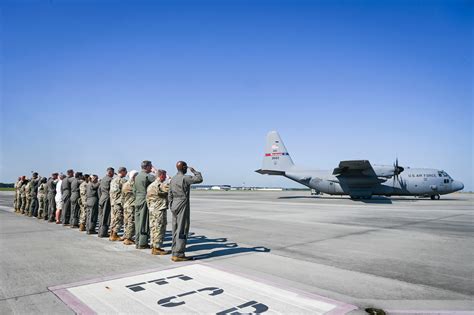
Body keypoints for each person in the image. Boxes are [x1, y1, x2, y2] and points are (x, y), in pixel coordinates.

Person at [169, 161, 203, 262]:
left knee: (175, 228)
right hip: (182, 202)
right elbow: (199, 179)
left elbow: (169, 194)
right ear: (183, 167)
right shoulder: (185, 177)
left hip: (174, 203)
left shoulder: (173, 179)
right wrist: (194, 171)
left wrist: (171, 205)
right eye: (185, 166)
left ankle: (174, 250)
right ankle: (179, 253)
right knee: (182, 228)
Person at [147, 169, 170, 255]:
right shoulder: (160, 185)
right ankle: (157, 248)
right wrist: (170, 180)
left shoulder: (150, 185)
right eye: (165, 175)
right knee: (159, 228)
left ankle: (154, 246)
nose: (165, 177)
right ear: (161, 176)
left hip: (152, 209)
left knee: (153, 228)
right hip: (159, 210)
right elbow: (170, 189)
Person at [133, 160, 155, 249]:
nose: (151, 167)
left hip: (137, 199)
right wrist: (155, 171)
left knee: (138, 222)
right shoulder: (147, 176)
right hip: (144, 199)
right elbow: (159, 179)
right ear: (146, 167)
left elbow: (134, 190)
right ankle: (142, 243)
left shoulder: (137, 176)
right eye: (150, 166)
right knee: (144, 222)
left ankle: (138, 241)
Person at [109, 167, 127, 241]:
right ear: (122, 172)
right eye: (125, 172)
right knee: (118, 218)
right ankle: (114, 235)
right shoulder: (122, 180)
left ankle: (112, 233)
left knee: (114, 218)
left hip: (113, 202)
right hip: (118, 202)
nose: (126, 173)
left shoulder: (113, 180)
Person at [122, 170, 138, 245]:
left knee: (126, 222)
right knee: (131, 221)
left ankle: (126, 236)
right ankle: (128, 238)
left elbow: (122, 197)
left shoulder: (125, 184)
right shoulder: (133, 184)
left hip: (126, 205)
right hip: (131, 205)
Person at [98, 167, 114, 238]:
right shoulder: (111, 180)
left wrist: (101, 197)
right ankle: (103, 233)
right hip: (107, 198)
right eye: (113, 172)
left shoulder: (102, 179)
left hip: (102, 198)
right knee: (106, 216)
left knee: (101, 216)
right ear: (110, 172)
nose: (114, 174)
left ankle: (100, 231)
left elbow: (99, 190)